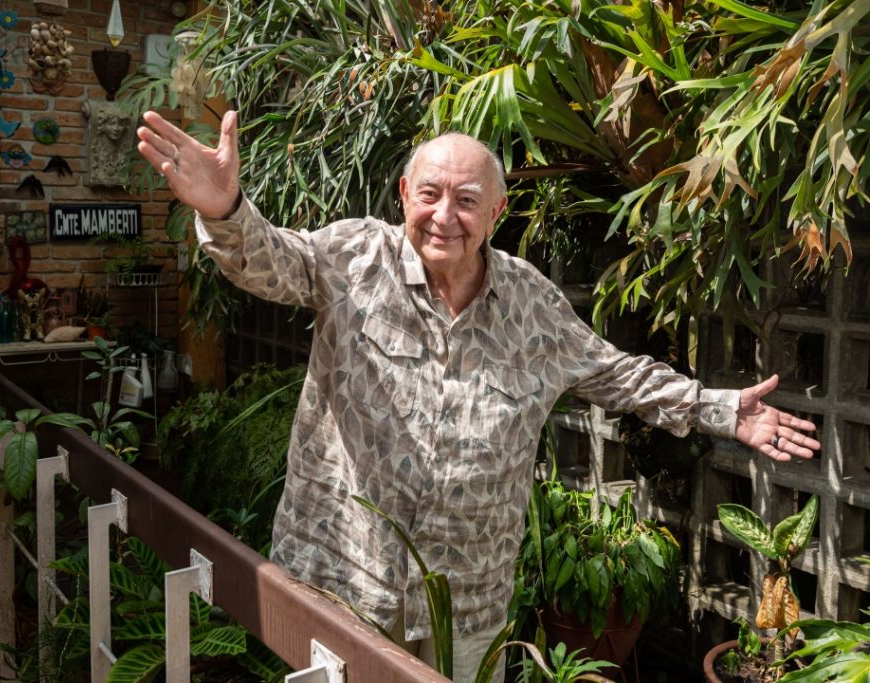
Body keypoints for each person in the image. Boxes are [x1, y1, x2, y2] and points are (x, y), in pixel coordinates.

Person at [137, 110, 821, 682]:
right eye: (430, 193)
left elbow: (617, 373)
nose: (445, 215)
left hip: (467, 606)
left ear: (496, 210)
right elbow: (272, 261)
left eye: (467, 200)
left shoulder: (531, 304)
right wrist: (226, 208)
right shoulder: (354, 258)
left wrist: (724, 409)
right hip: (343, 589)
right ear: (404, 192)